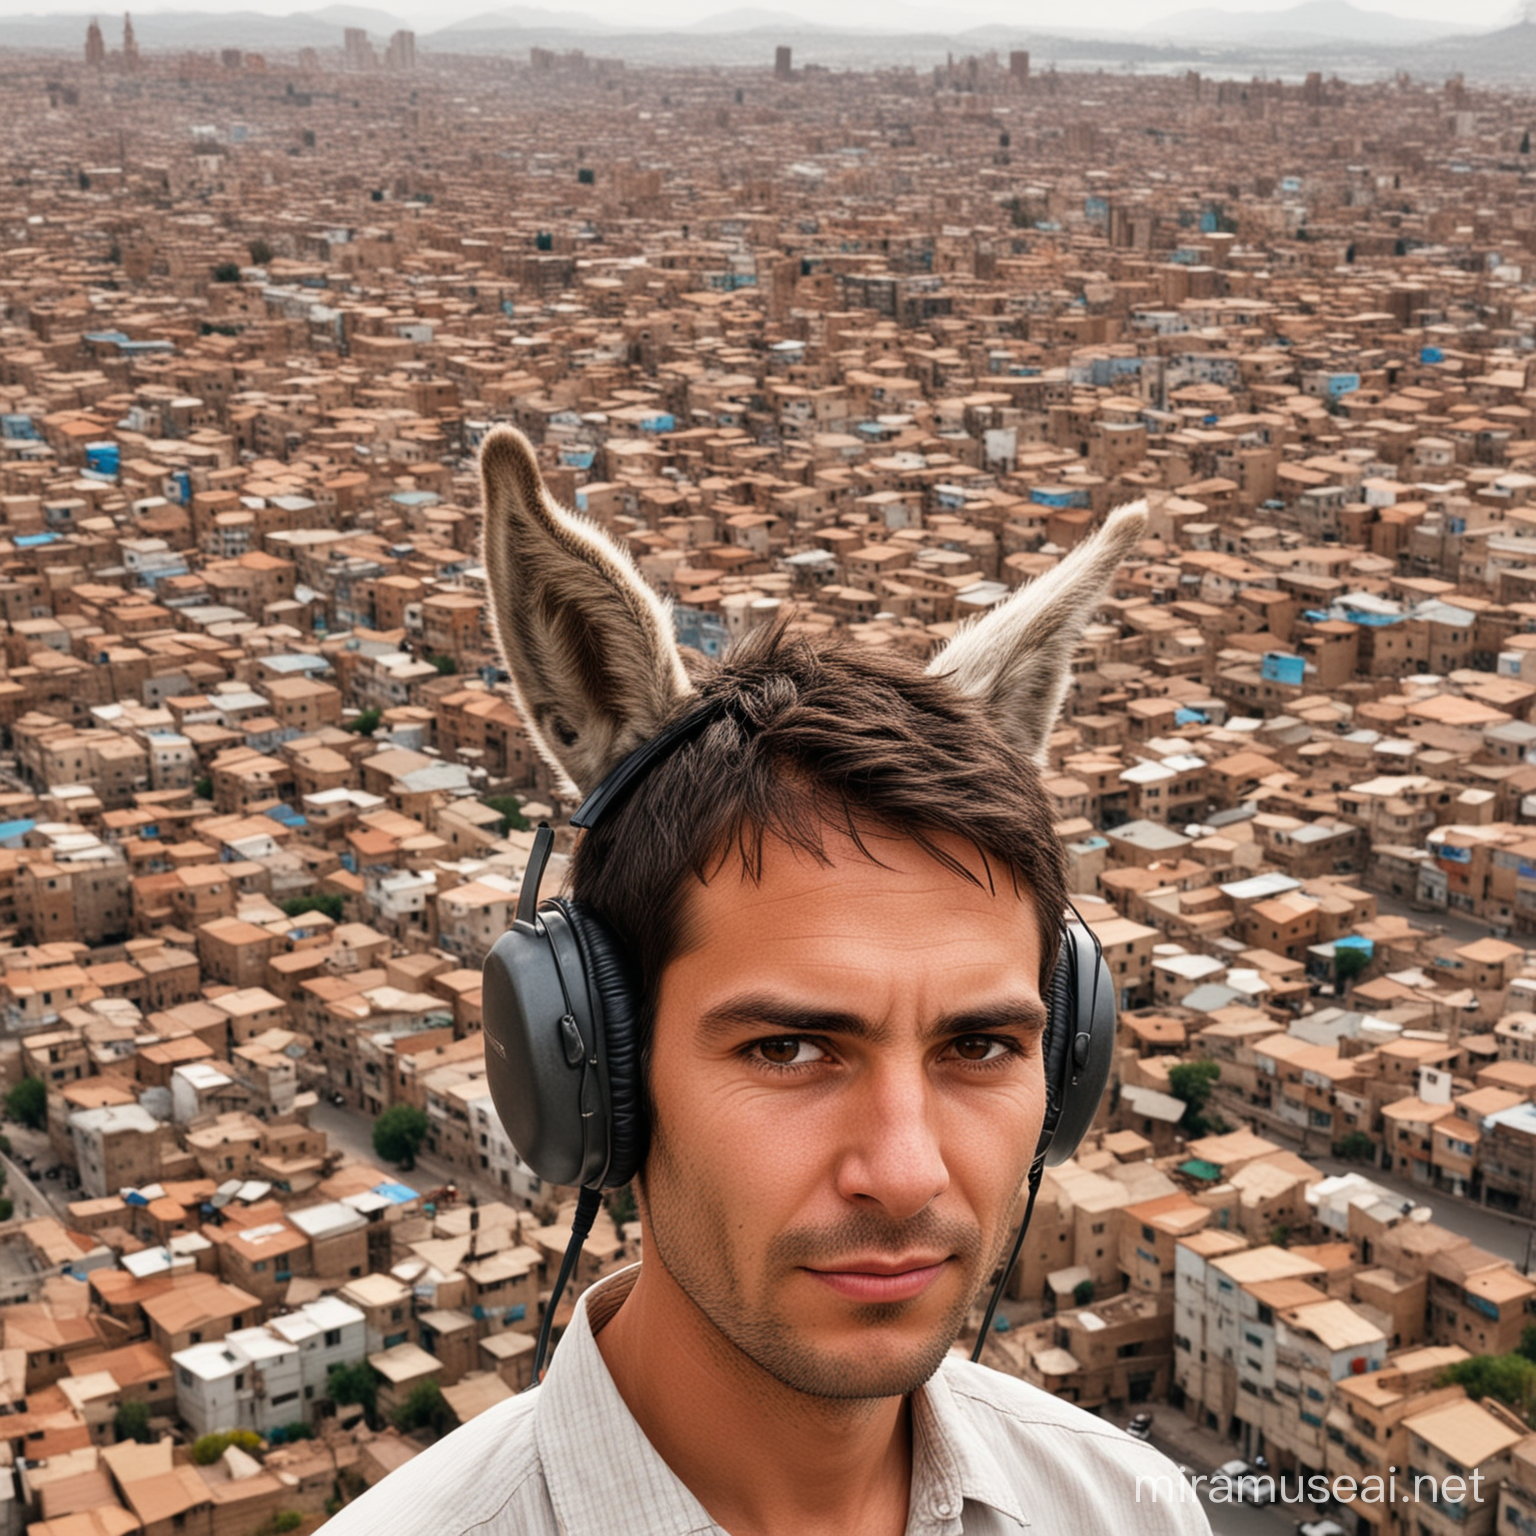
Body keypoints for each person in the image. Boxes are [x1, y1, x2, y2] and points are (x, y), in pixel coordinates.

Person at [320, 427, 1211, 1536]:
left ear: (1066, 1067)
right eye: (788, 1048)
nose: (904, 1172)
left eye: (979, 1046)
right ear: (597, 1068)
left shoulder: (1126, 1511)